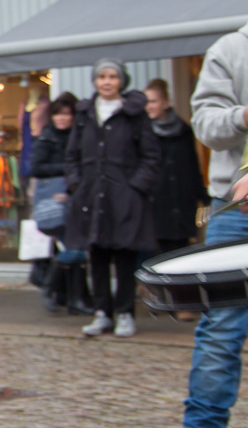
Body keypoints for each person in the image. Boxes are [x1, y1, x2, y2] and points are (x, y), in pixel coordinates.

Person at [166, 23, 248, 428]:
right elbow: (206, 125)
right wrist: (242, 117)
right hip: (237, 207)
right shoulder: (232, 49)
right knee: (221, 325)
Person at [65, 59, 161, 339]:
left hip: (124, 196)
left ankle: (126, 313)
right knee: (96, 258)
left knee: (124, 258)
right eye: (102, 77)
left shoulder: (134, 114)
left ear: (121, 81)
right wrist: (76, 184)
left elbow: (151, 155)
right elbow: (71, 155)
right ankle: (102, 313)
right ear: (95, 81)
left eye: (112, 77)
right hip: (91, 195)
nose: (107, 82)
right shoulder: (84, 114)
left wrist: (135, 187)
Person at [30, 92, 92, 315]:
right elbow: (35, 168)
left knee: (78, 253)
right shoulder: (47, 136)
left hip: (79, 199)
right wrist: (67, 170)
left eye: (66, 114)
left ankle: (74, 300)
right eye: (58, 113)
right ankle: (50, 286)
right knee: (77, 251)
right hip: (57, 202)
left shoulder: (81, 136)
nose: (62, 118)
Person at [146, 78, 209, 255]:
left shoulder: (183, 130)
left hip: (182, 202)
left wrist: (202, 196)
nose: (148, 106)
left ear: (165, 103)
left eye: (153, 101)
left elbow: (192, 166)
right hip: (155, 204)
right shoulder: (142, 133)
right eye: (146, 102)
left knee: (182, 253)